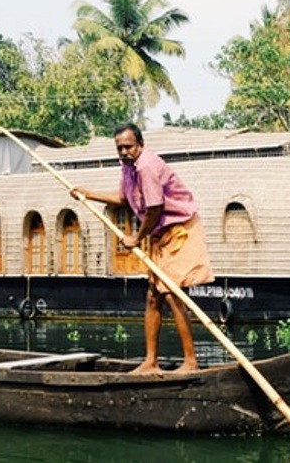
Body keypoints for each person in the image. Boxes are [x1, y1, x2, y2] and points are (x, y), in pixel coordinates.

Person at [72, 123, 214, 374]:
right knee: (153, 296)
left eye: (128, 146)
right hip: (161, 235)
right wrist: (89, 194)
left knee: (172, 293)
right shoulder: (128, 168)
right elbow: (124, 200)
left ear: (140, 145)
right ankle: (151, 361)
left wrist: (137, 238)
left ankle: (191, 362)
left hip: (179, 231)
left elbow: (155, 208)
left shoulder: (147, 166)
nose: (124, 152)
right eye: (120, 148)